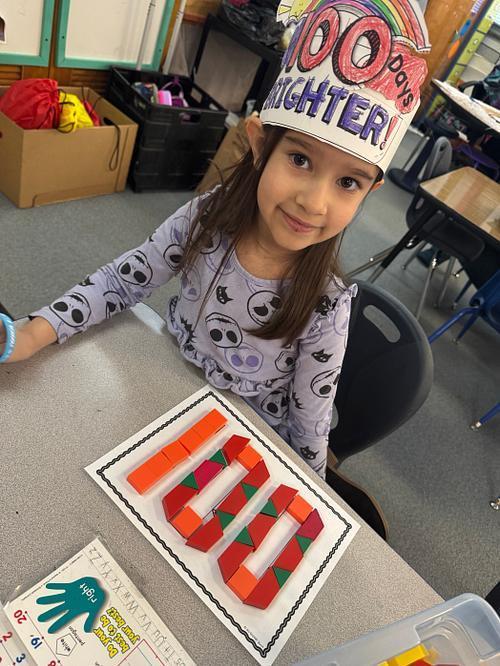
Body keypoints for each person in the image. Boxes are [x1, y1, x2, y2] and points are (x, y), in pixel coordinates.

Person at [0, 0, 430, 481]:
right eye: (301, 160)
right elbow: (121, 282)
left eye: (347, 183)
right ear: (261, 144)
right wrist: (34, 332)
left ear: (369, 193)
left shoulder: (326, 305)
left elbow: (308, 426)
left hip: (242, 441)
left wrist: (307, 490)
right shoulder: (209, 215)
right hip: (164, 383)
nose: (314, 202)